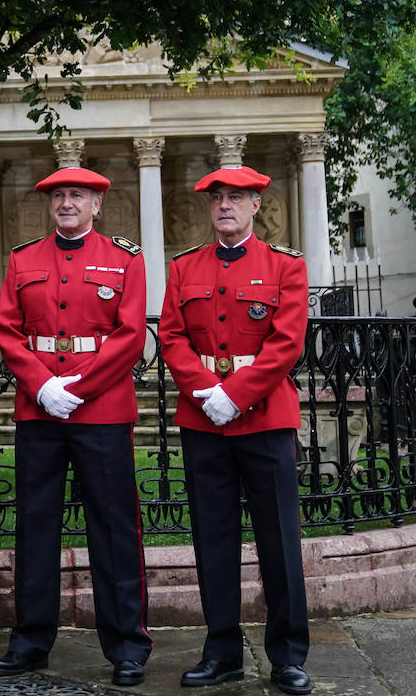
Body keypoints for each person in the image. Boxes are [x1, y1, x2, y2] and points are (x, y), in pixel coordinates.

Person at [0, 167, 152, 687]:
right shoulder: (23, 259)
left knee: (113, 529)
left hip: (101, 409)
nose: (66, 203)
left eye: (76, 195)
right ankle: (31, 641)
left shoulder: (125, 257)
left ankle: (127, 644)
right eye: (58, 195)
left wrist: (75, 389)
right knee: (36, 528)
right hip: (39, 408)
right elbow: (8, 332)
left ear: (96, 204)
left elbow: (129, 338)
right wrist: (42, 386)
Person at [157, 165, 312, 695]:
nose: (224, 205)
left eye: (236, 198)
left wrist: (236, 395)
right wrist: (208, 392)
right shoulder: (183, 269)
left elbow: (286, 342)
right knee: (213, 540)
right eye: (217, 197)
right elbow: (173, 338)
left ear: (254, 207)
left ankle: (287, 655)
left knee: (279, 544)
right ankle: (221, 651)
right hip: (205, 418)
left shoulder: (284, 267)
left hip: (265, 418)